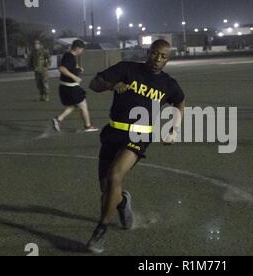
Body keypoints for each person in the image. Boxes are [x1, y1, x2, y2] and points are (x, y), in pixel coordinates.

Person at [86, 39, 186, 254]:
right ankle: (122, 202)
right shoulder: (127, 68)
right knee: (106, 188)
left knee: (115, 176)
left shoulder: (168, 84)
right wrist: (111, 85)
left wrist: (174, 129)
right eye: (154, 54)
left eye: (163, 57)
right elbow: (93, 84)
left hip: (140, 135)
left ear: (168, 59)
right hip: (113, 132)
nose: (157, 60)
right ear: (148, 52)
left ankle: (100, 232)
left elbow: (179, 103)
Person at [51, 40, 98, 132]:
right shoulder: (69, 56)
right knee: (83, 105)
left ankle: (58, 119)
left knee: (74, 105)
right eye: (81, 49)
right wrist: (75, 77)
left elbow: (68, 68)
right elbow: (62, 68)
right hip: (71, 87)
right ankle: (88, 126)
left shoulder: (68, 56)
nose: (82, 52)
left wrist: (78, 70)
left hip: (65, 86)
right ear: (77, 48)